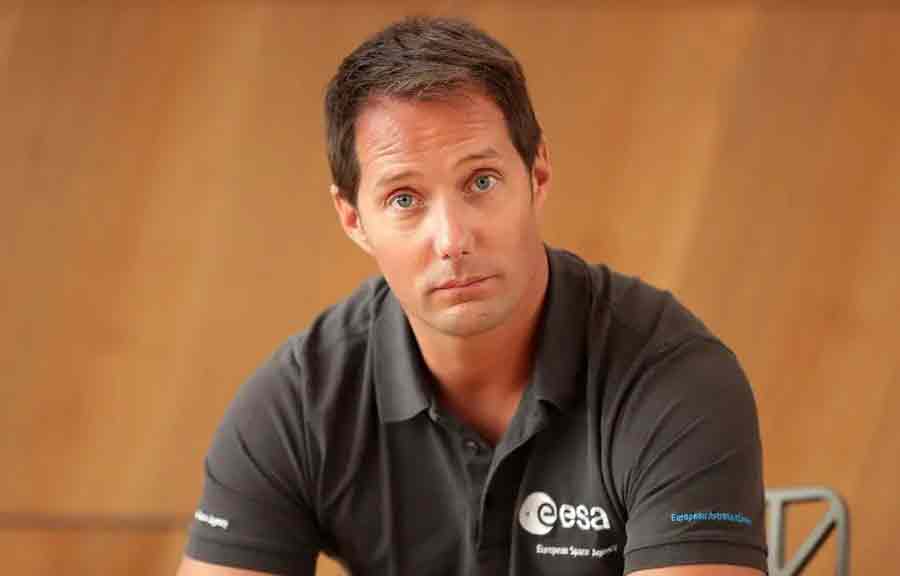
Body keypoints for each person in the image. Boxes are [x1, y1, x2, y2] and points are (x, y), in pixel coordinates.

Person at [177, 16, 767, 576]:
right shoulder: (299, 402)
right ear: (353, 218)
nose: (452, 240)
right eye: (404, 199)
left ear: (536, 175)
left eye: (481, 182)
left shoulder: (672, 377)